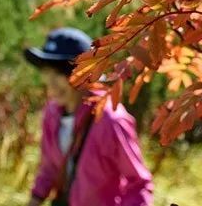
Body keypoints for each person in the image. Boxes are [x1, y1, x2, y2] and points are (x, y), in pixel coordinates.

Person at [25, 27, 153, 206]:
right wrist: (35, 199)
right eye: (47, 73)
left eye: (59, 74)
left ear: (85, 74)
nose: (51, 84)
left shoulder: (111, 120)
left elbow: (138, 184)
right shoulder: (52, 113)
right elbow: (49, 169)